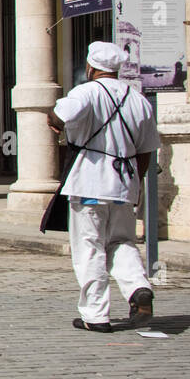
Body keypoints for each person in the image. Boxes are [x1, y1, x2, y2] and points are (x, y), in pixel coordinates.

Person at [48, 41, 159, 333]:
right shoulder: (139, 100)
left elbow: (58, 118)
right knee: (122, 242)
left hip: (89, 182)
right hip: (125, 184)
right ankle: (138, 288)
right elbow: (146, 151)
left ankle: (95, 314)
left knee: (90, 247)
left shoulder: (86, 92)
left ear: (91, 66)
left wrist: (56, 120)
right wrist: (133, 186)